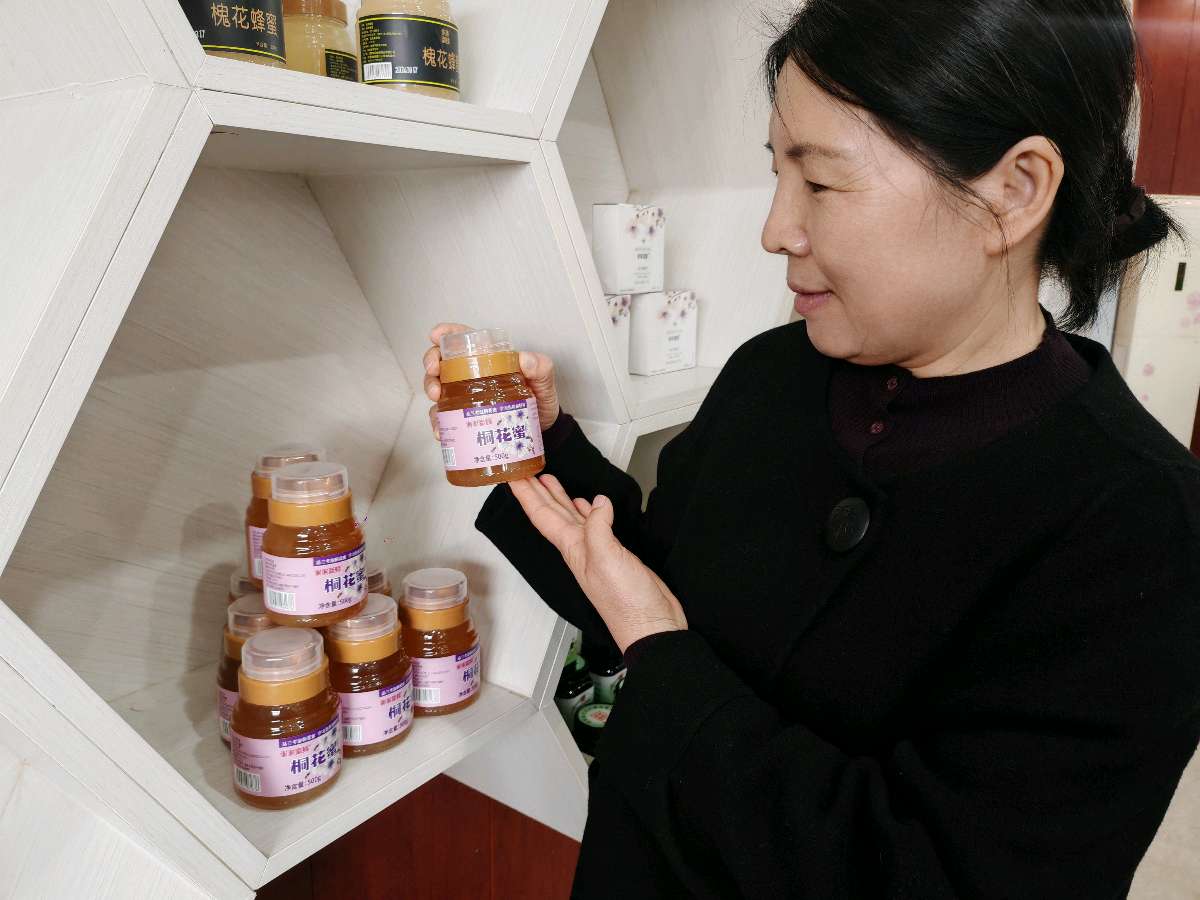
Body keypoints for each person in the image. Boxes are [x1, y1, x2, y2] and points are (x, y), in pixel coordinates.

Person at [422, 1, 1200, 896]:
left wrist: (663, 658)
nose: (776, 229)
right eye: (778, 173)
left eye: (821, 183)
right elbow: (653, 592)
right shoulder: (772, 374)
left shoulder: (1139, 525)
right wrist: (535, 443)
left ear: (1014, 192)